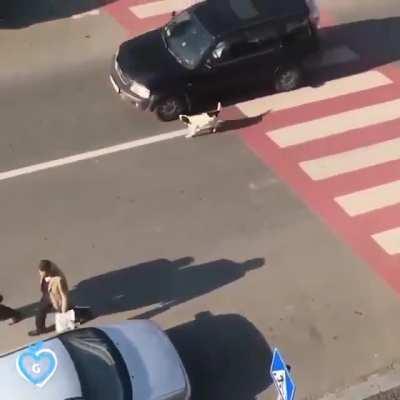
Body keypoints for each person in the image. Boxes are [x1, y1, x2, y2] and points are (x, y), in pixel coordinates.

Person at [29, 259, 69, 336]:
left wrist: (63, 312)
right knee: (40, 313)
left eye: (43, 273)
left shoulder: (59, 279)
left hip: (56, 299)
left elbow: (64, 297)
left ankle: (78, 315)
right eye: (40, 272)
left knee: (63, 311)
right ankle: (40, 329)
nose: (40, 274)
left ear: (48, 271)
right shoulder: (44, 271)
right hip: (47, 296)